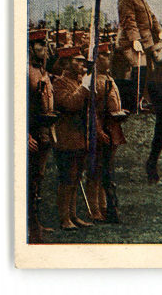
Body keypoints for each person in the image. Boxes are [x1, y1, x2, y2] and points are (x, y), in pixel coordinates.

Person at [85, 43, 128, 223]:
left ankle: (105, 206)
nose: (107, 58)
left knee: (107, 171)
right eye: (103, 56)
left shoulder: (108, 77)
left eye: (108, 55)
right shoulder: (92, 80)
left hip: (112, 126)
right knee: (95, 171)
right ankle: (95, 208)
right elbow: (91, 108)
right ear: (95, 59)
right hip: (101, 129)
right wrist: (97, 129)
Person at [53, 46, 93, 230]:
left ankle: (73, 214)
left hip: (79, 135)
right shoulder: (59, 83)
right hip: (66, 136)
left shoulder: (78, 81)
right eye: (77, 60)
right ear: (66, 63)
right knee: (67, 178)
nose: (81, 64)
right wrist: (84, 88)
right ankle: (64, 217)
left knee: (76, 177)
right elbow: (69, 104)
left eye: (82, 61)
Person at [115, 0, 162, 109]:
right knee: (140, 67)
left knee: (155, 68)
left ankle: (146, 99)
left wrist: (160, 31)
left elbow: (152, 17)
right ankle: (133, 103)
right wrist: (135, 40)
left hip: (146, 42)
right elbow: (128, 21)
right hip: (129, 42)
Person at [27, 29, 58, 242]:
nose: (44, 50)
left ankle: (35, 221)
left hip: (45, 129)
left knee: (39, 176)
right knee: (29, 178)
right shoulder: (25, 72)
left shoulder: (43, 71)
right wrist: (25, 134)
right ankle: (29, 224)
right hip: (32, 130)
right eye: (39, 46)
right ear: (30, 48)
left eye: (45, 45)